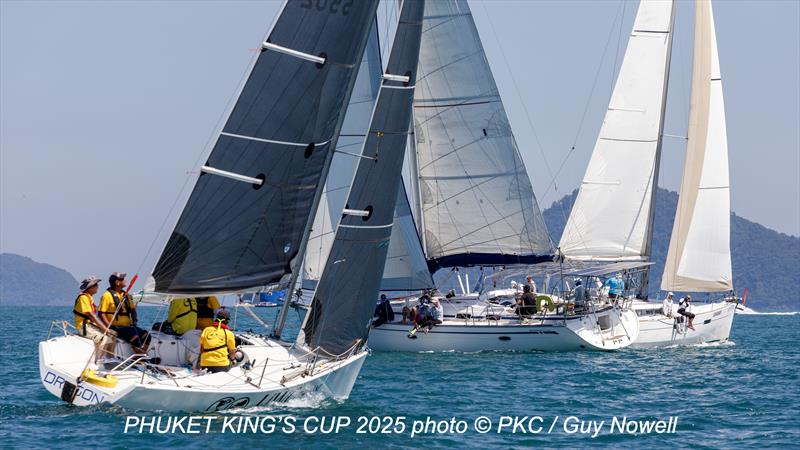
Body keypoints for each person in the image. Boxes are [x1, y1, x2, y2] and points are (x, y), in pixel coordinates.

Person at [98, 272, 150, 354]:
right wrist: (108, 327)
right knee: (134, 338)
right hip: (116, 327)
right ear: (117, 282)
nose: (125, 280)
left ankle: (140, 355)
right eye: (122, 279)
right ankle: (141, 357)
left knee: (146, 336)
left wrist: (135, 320)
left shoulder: (126, 295)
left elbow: (133, 310)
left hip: (128, 326)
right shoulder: (107, 296)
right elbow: (101, 313)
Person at [73, 276, 115, 361]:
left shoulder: (89, 297)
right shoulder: (83, 298)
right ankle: (99, 361)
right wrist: (105, 329)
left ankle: (111, 358)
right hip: (83, 326)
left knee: (113, 334)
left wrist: (106, 329)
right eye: (95, 285)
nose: (97, 287)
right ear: (90, 288)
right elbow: (91, 315)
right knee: (104, 338)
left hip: (90, 325)